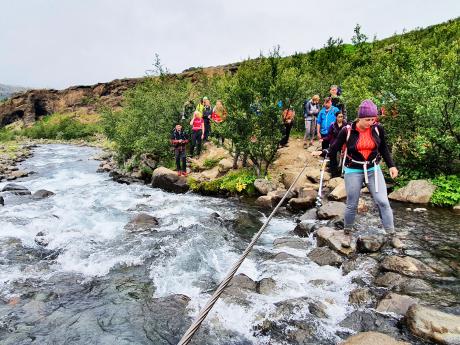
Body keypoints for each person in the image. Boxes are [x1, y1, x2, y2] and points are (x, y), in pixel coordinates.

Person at [324, 99, 398, 248]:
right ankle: (347, 233)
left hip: (372, 168)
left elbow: (383, 147)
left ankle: (392, 235)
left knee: (383, 201)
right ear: (359, 117)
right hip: (353, 169)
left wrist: (391, 166)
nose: (371, 122)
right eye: (367, 119)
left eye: (373, 119)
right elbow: (334, 148)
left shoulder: (378, 129)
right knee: (352, 203)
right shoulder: (347, 130)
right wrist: (323, 153)